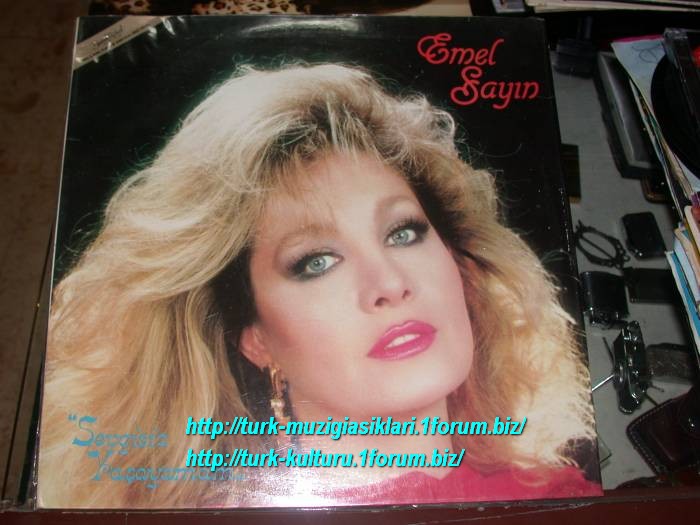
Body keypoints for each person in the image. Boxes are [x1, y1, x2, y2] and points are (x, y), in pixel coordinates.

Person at [38, 64, 598, 508]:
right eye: (317, 263)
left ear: (459, 262)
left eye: (403, 232)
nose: (389, 284)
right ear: (255, 337)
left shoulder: (561, 500)